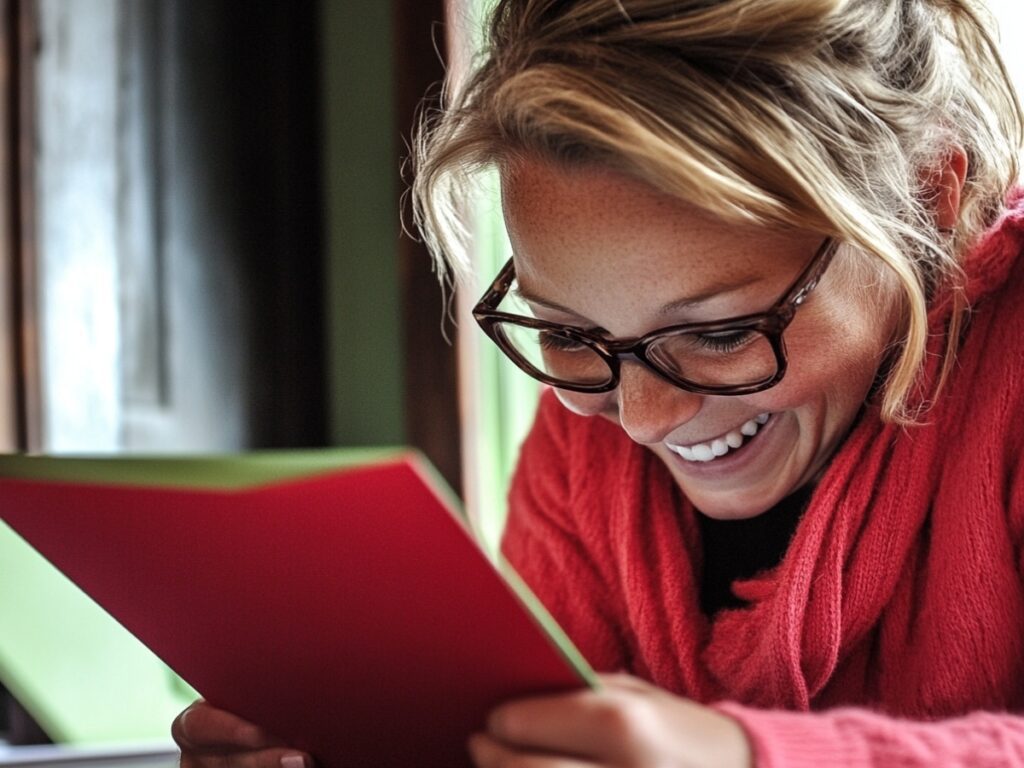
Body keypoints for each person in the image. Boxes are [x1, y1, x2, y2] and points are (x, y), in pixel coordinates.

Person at [174, 0, 1024, 765]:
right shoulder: (586, 440)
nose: (644, 418)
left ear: (929, 192)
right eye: (571, 335)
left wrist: (746, 757)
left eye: (721, 332)